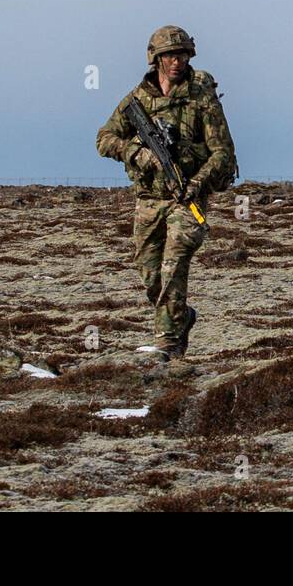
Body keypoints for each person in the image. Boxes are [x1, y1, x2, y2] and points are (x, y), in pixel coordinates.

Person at [96, 26, 236, 359]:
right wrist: (136, 152)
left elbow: (223, 152)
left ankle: (168, 342)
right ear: (156, 58)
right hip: (149, 200)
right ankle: (181, 317)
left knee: (173, 266)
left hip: (187, 199)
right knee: (149, 273)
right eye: (171, 55)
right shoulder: (138, 100)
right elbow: (104, 139)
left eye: (183, 54)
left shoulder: (201, 97)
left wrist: (196, 183)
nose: (177, 61)